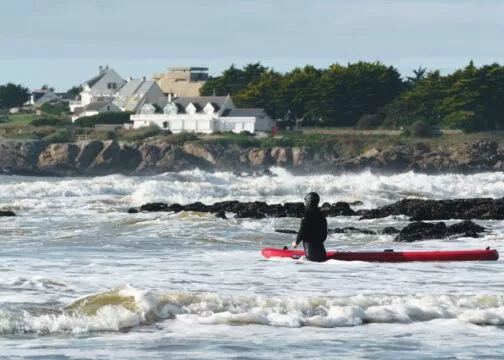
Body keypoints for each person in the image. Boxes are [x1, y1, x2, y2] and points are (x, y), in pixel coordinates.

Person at [291, 192, 328, 262]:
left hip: (311, 256)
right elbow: (324, 236)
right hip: (322, 254)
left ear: (309, 202)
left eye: (305, 201)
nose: (304, 204)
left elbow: (302, 230)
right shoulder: (322, 216)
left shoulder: (306, 215)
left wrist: (296, 242)